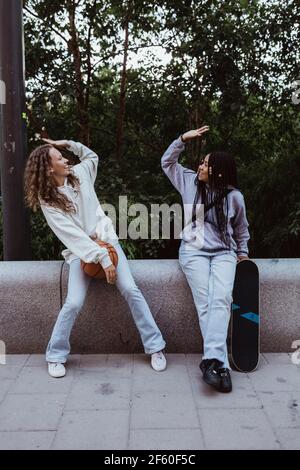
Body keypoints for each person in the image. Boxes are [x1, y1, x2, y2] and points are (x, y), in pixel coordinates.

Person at [24, 138, 166, 377]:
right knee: (73, 302)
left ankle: (155, 348)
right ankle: (55, 356)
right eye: (59, 157)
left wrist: (68, 143)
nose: (66, 159)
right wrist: (102, 258)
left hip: (108, 243)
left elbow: (92, 157)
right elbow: (73, 237)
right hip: (82, 253)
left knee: (131, 290)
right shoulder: (48, 200)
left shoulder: (79, 175)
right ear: (49, 168)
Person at [161, 126, 250, 392]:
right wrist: (182, 139)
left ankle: (212, 362)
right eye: (201, 162)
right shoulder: (189, 182)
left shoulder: (235, 197)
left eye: (206, 164)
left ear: (219, 171)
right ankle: (219, 364)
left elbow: (241, 230)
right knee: (205, 304)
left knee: (221, 298)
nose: (200, 166)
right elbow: (167, 162)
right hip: (193, 252)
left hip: (224, 253)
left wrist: (243, 255)